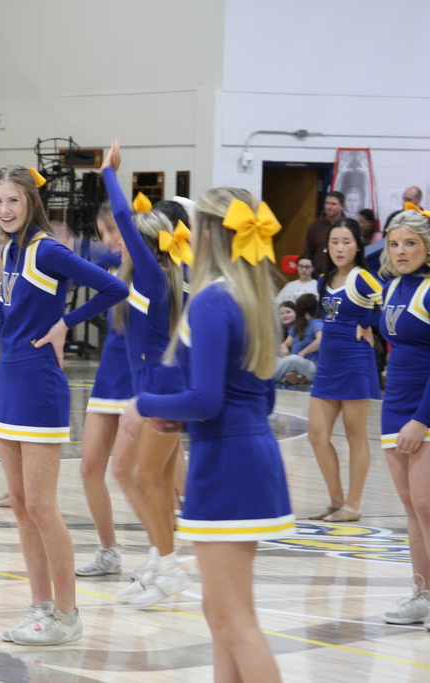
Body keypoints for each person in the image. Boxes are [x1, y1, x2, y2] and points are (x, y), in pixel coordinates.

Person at [120, 185, 293, 683]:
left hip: (228, 467)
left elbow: (206, 400)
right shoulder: (250, 294)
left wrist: (145, 405)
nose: (185, 230)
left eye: (194, 222)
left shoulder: (214, 300)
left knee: (233, 622)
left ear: (209, 234)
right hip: (248, 456)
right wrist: (182, 416)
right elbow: (262, 400)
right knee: (223, 618)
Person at [0, 165, 126, 645]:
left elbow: (115, 288)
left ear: (30, 204)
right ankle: (39, 607)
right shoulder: (11, 250)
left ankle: (67, 614)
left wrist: (67, 323)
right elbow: (18, 318)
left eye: (13, 202)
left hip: (40, 385)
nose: (4, 210)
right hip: (9, 380)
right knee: (21, 506)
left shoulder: (45, 248)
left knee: (42, 505)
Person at [101, 142, 190, 608]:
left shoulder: (154, 275)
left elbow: (119, 213)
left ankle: (171, 566)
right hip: (150, 388)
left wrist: (109, 173)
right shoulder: (143, 277)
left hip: (160, 390)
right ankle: (160, 557)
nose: (121, 240)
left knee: (145, 479)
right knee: (146, 477)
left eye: (130, 236)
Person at [376, 205, 430, 626]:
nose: (401, 251)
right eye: (394, 244)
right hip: (393, 405)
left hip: (423, 410)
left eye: (410, 243)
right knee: (411, 508)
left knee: (428, 505)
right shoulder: (391, 287)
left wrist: (421, 420)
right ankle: (421, 593)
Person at [307, 217, 382, 523]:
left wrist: (367, 324)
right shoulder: (324, 279)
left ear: (358, 246)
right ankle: (336, 500)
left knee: (355, 436)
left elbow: (389, 304)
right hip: (327, 365)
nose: (340, 248)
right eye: (335, 241)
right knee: (316, 434)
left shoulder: (363, 277)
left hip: (355, 364)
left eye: (346, 242)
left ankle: (353, 504)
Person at [75, 203, 133, 575]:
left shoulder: (157, 268)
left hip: (144, 376)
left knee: (136, 473)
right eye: (102, 233)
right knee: (90, 467)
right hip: (110, 372)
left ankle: (164, 556)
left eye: (114, 232)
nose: (109, 241)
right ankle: (108, 550)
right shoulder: (111, 264)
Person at [275, 293, 321, 385]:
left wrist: (303, 352)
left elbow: (320, 340)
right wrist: (283, 346)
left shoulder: (317, 322)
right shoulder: (299, 325)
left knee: (293, 359)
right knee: (274, 358)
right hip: (297, 363)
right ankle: (295, 378)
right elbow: (287, 342)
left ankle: (263, 380)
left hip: (312, 364)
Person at [303, 191, 345, 277]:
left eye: (333, 204)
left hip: (342, 276)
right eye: (327, 203)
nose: (329, 207)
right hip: (318, 276)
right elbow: (308, 252)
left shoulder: (348, 226)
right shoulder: (315, 226)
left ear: (342, 206)